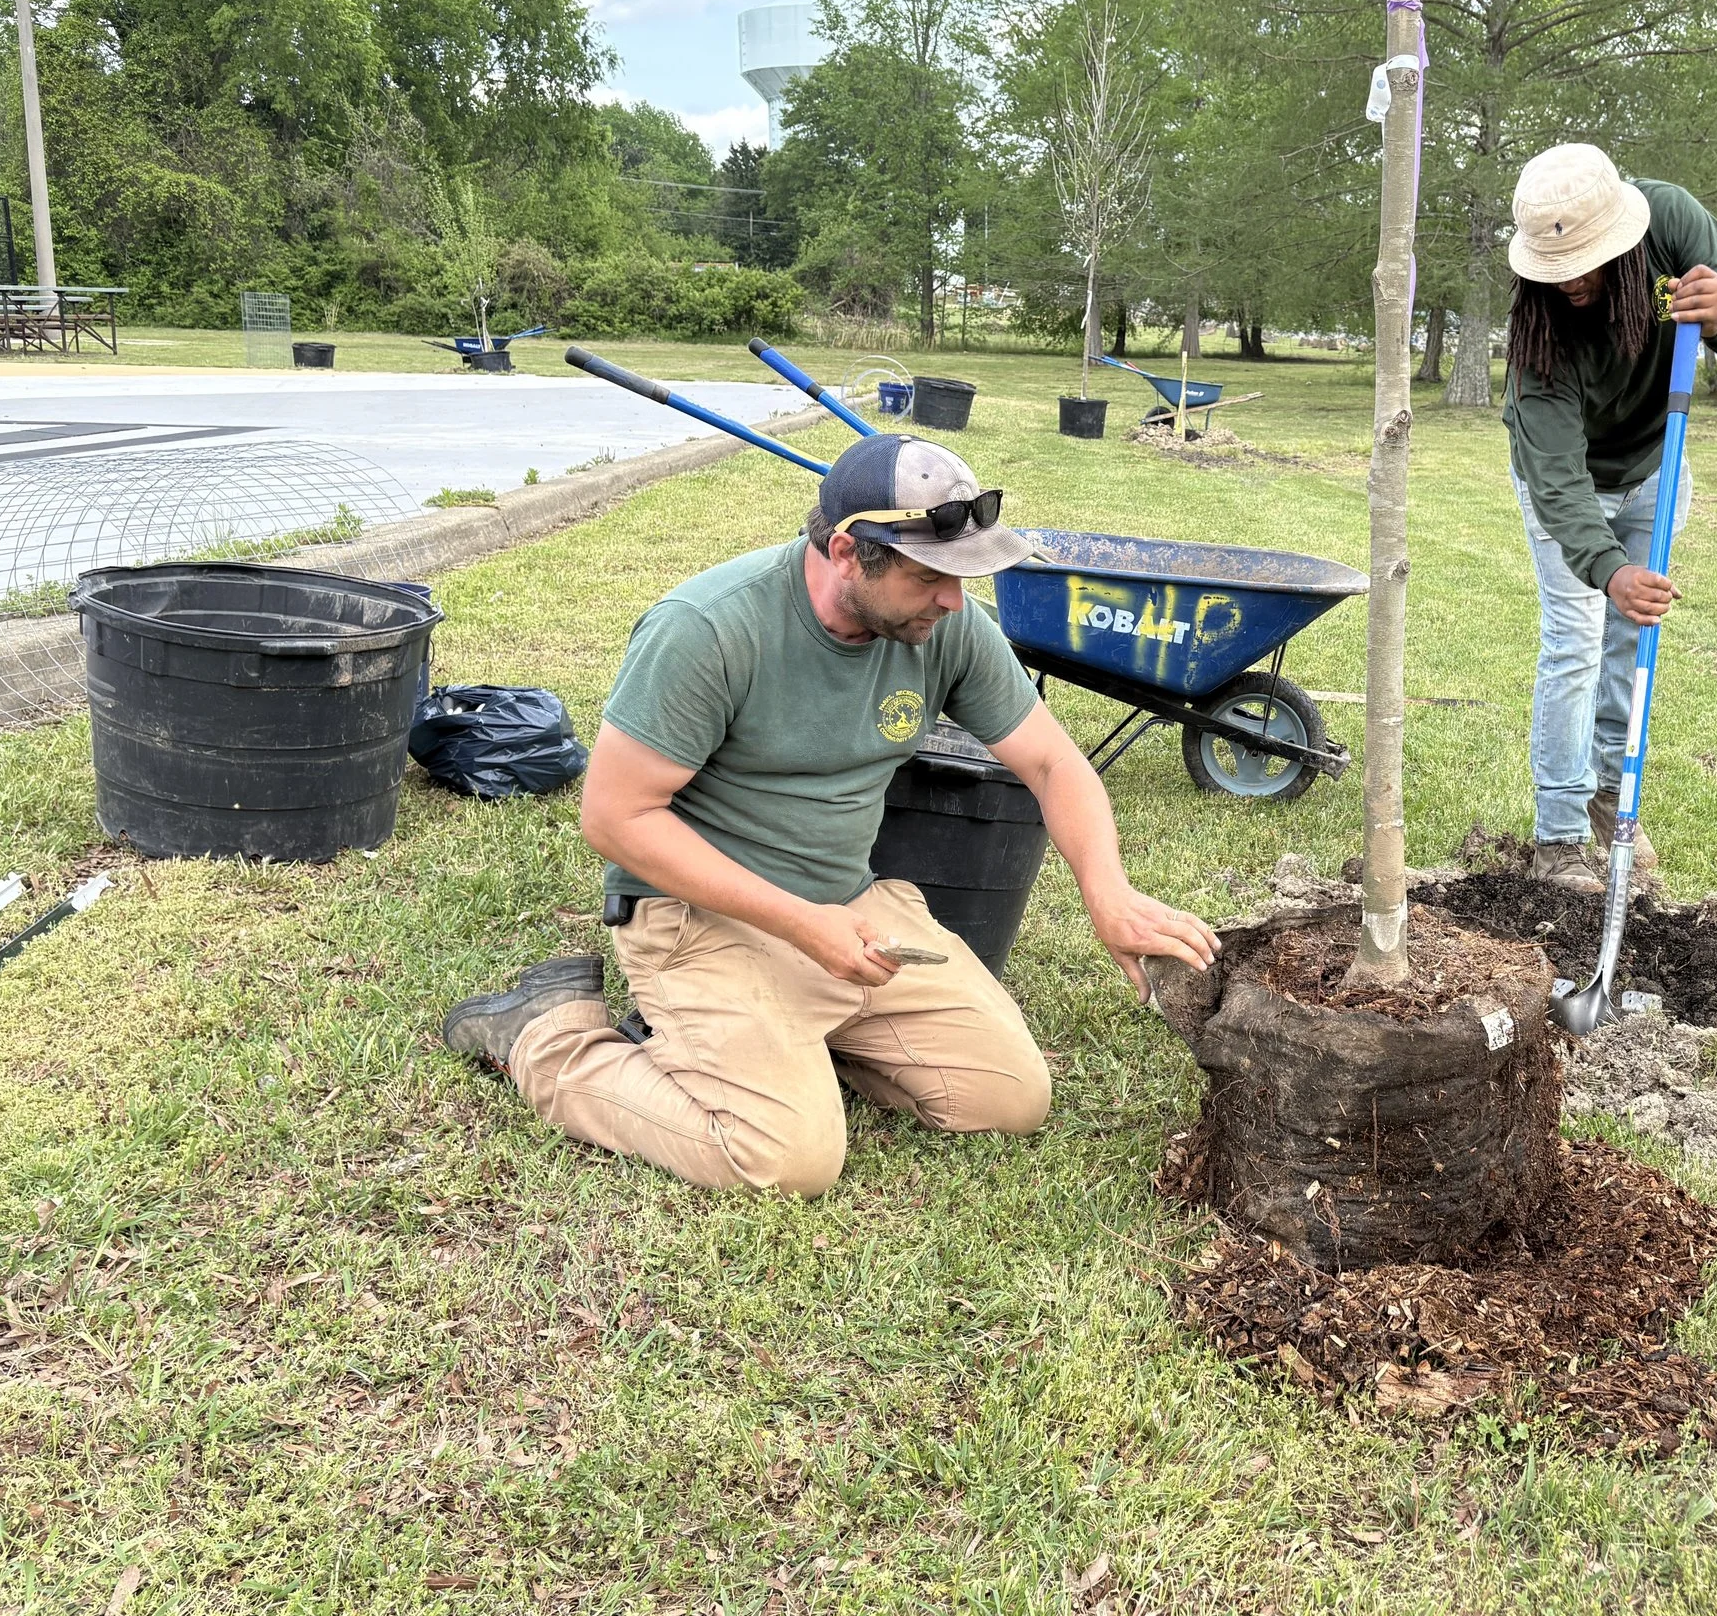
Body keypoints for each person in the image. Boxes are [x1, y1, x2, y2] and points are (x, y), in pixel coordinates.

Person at [442, 431, 1220, 1196]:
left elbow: (1053, 763)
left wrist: (1107, 891)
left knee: (1010, 1098)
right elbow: (615, 820)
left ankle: (787, 1040)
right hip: (699, 919)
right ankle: (547, 1036)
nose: (953, 600)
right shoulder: (710, 628)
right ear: (849, 552)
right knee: (787, 1159)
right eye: (929, 578)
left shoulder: (946, 627)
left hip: (852, 910)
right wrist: (800, 923)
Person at [1501, 143, 1717, 894]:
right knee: (1576, 641)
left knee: (1630, 644)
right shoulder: (1540, 335)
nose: (1574, 281)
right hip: (1573, 485)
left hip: (1657, 466)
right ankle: (1557, 837)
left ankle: (1609, 794)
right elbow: (1556, 479)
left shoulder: (1672, 223)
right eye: (1558, 269)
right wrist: (1609, 568)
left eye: (1588, 262)